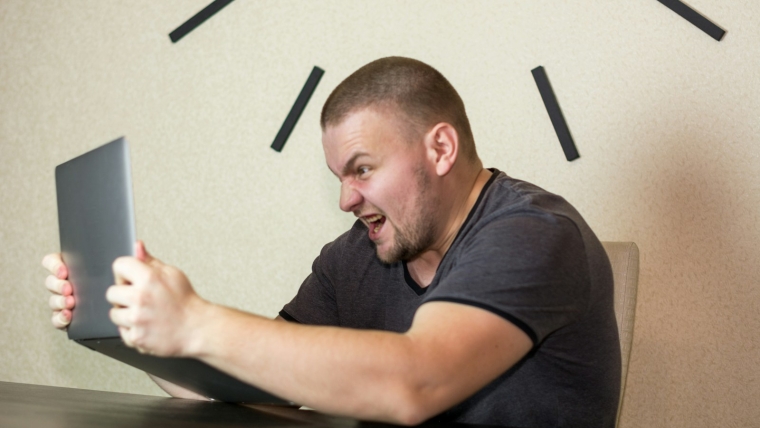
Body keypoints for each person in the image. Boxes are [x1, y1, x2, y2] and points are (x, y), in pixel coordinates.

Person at [42, 57, 621, 427]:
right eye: (338, 178)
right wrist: (130, 329)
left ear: (440, 150)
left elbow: (415, 381)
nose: (347, 199)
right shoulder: (357, 255)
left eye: (362, 169)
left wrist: (195, 321)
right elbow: (256, 393)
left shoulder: (535, 234)